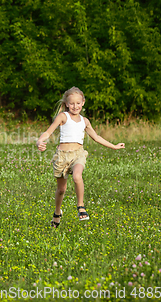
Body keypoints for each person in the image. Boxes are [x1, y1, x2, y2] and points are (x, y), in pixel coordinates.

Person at [36, 86, 125, 227]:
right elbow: (48, 132)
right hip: (62, 157)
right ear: (66, 104)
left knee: (77, 176)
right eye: (72, 103)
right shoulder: (63, 117)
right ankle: (57, 213)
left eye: (78, 103)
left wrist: (114, 146)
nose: (75, 106)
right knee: (61, 190)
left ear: (83, 102)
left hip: (78, 154)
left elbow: (96, 137)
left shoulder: (85, 121)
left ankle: (81, 206)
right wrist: (40, 141)